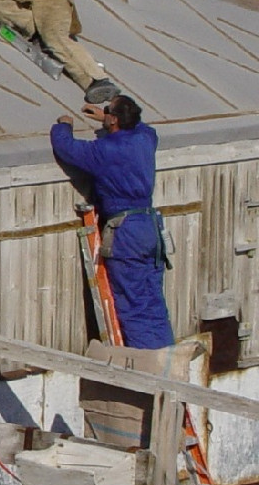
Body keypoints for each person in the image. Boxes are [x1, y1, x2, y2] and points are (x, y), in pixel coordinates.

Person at [51, 96, 174, 350]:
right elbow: (145, 128)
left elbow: (66, 148)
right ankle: (166, 358)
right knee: (152, 299)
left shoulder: (104, 151)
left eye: (108, 111)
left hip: (125, 232)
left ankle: (147, 367)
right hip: (150, 227)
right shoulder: (144, 141)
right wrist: (103, 116)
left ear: (114, 119)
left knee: (133, 304)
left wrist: (63, 125)